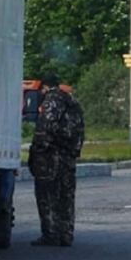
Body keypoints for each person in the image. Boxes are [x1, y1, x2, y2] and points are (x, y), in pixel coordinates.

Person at [29, 72, 84, 247]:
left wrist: (36, 152)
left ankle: (50, 234)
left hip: (50, 158)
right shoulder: (72, 102)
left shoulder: (51, 101)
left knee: (46, 196)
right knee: (66, 196)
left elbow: (46, 129)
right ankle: (66, 234)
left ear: (44, 87)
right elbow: (80, 130)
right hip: (69, 157)